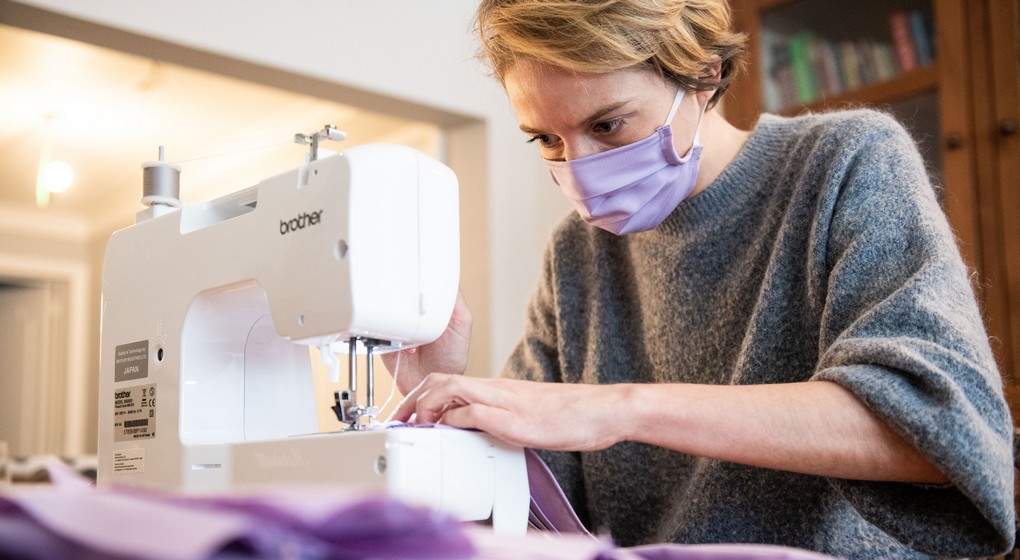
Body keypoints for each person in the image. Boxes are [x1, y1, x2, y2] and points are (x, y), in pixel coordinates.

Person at [386, 0, 1016, 557]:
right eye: (546, 139)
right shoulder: (576, 253)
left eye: (608, 125)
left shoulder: (844, 163)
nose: (578, 170)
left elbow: (940, 435)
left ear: (704, 73)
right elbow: (530, 505)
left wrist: (621, 408)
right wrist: (439, 409)